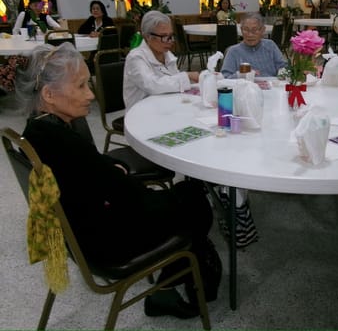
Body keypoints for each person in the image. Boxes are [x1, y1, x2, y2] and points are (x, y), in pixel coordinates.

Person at [15, 42, 221, 320]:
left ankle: (183, 269)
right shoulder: (62, 141)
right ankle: (166, 288)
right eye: (80, 87)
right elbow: (128, 195)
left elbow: (92, 169)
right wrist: (122, 176)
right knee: (195, 202)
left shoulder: (37, 130)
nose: (91, 95)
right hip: (106, 242)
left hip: (80, 230)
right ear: (49, 94)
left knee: (183, 193)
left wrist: (113, 168)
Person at [123, 10, 199, 111]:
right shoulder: (135, 58)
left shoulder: (167, 54)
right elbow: (153, 85)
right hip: (142, 113)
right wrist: (187, 76)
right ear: (147, 37)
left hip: (165, 107)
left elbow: (173, 81)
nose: (170, 41)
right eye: (164, 36)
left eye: (171, 36)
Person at [221, 12, 287, 78]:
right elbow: (225, 77)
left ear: (263, 30)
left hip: (271, 87)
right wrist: (242, 75)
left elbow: (284, 67)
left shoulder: (270, 45)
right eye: (246, 30)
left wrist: (283, 74)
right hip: (244, 87)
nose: (250, 34)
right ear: (241, 30)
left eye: (254, 30)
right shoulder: (233, 51)